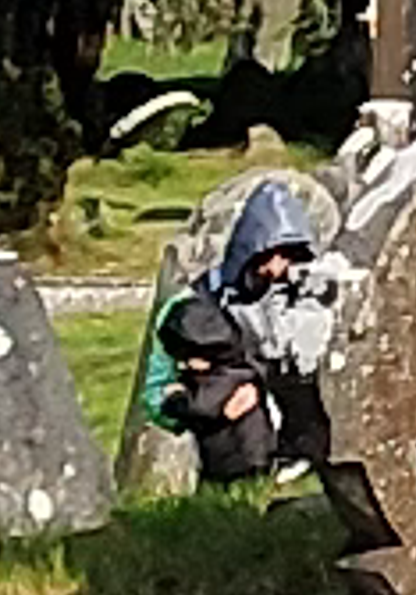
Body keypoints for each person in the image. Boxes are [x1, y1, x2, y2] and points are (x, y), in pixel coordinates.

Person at [140, 173, 339, 488]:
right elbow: (155, 391)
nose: (281, 268)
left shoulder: (305, 300)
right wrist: (205, 409)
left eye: (293, 255)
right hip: (229, 453)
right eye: (277, 254)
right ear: (253, 249)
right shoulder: (195, 305)